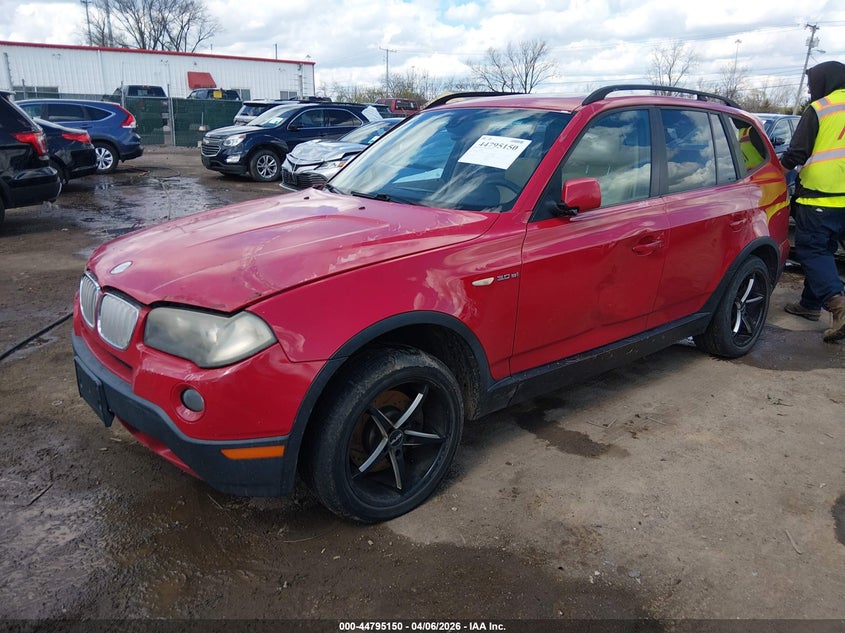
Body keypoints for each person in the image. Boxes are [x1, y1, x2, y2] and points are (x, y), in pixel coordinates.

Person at [780, 61, 845, 343]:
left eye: (811, 85)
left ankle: (838, 305)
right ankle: (809, 305)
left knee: (813, 251)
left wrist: (773, 176)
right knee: (826, 251)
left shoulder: (821, 108)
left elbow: (796, 153)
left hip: (822, 195)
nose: (809, 91)